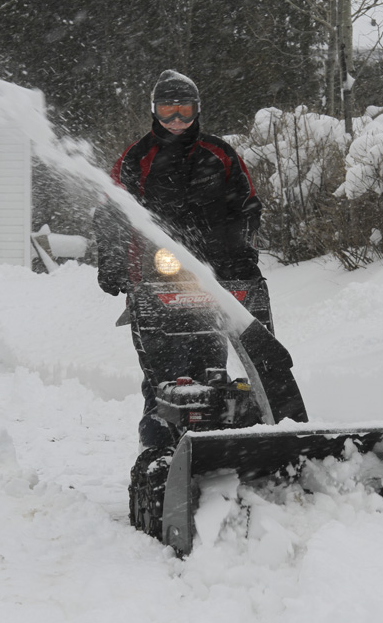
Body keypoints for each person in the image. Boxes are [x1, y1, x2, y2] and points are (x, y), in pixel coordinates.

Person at [94, 69, 269, 450]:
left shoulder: (219, 154)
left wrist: (240, 254)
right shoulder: (137, 157)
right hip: (153, 280)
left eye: (184, 110)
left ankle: (216, 442)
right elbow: (110, 214)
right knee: (165, 373)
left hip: (212, 279)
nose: (176, 120)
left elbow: (246, 205)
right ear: (154, 112)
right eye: (167, 110)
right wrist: (111, 264)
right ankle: (160, 446)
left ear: (197, 111)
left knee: (211, 363)